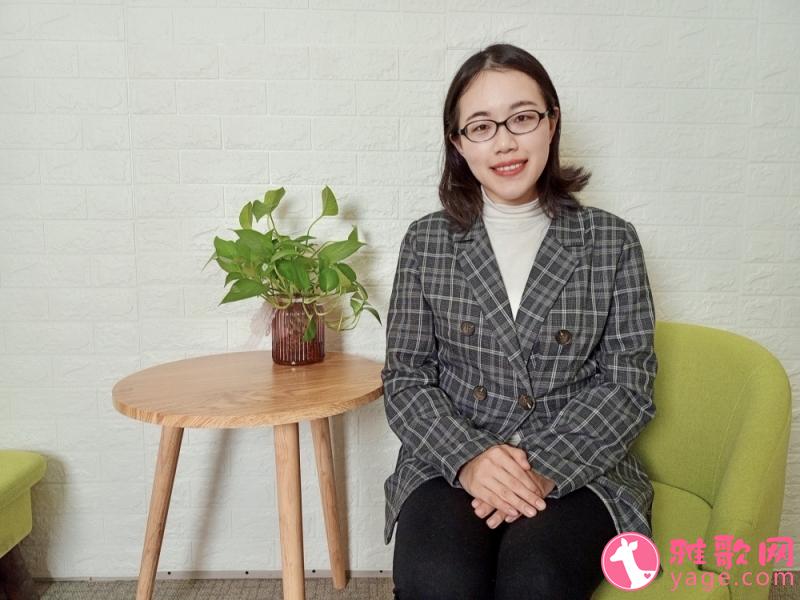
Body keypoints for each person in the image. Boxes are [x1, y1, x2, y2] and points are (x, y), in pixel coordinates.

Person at [380, 43, 661, 599]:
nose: (505, 142)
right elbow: (406, 378)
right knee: (437, 579)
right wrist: (469, 459)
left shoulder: (611, 240)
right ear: (458, 143)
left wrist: (543, 468)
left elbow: (629, 382)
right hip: (450, 456)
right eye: (482, 126)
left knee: (537, 578)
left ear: (551, 123)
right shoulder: (427, 241)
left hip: (579, 461)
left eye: (522, 118)